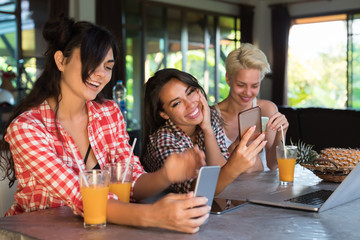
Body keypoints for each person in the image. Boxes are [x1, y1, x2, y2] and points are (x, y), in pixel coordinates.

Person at [0, 17, 210, 234]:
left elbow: (132, 182)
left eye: (107, 66)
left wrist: (166, 175)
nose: (101, 74)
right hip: (34, 234)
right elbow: (80, 195)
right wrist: (154, 215)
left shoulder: (108, 112)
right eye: (91, 62)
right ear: (61, 61)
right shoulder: (27, 128)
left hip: (101, 232)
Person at [141, 68, 266, 195]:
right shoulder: (163, 141)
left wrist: (207, 129)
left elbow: (220, 172)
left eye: (190, 92)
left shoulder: (210, 116)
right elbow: (199, 191)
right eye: (177, 103)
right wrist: (234, 166)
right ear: (164, 114)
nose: (190, 104)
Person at [214, 43, 289, 172]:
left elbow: (273, 164)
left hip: (261, 187)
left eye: (254, 86)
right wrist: (239, 143)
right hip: (225, 189)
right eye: (241, 85)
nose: (248, 93)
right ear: (228, 78)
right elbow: (214, 168)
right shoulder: (212, 115)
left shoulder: (267, 109)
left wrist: (281, 133)